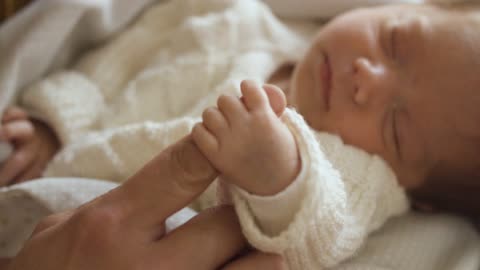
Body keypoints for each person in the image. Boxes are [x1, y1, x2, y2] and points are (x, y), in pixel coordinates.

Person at [1, 0, 480, 269]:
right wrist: (59, 119)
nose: (367, 77)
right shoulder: (245, 22)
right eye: (395, 43)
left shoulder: (358, 172)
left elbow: (324, 225)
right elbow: (131, 50)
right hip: (51, 179)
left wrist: (282, 173)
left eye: (396, 126)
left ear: (419, 198)